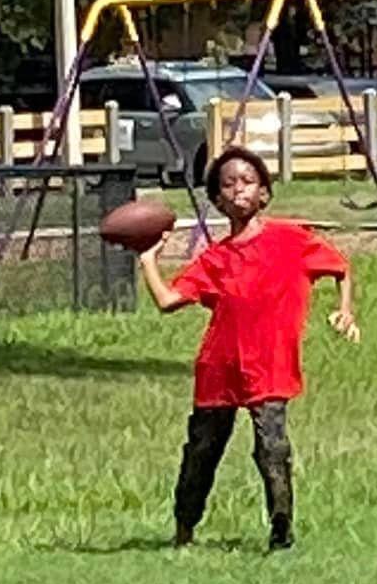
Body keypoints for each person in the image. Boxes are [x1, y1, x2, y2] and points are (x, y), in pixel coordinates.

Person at [138, 145, 360, 552]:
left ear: (264, 194)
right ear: (217, 200)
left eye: (247, 181)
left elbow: (341, 267)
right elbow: (168, 301)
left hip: (269, 365)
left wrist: (344, 310)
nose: (238, 189)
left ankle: (281, 527)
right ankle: (184, 530)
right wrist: (148, 260)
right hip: (219, 369)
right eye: (228, 184)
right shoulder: (215, 259)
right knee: (202, 452)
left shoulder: (291, 241)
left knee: (272, 449)